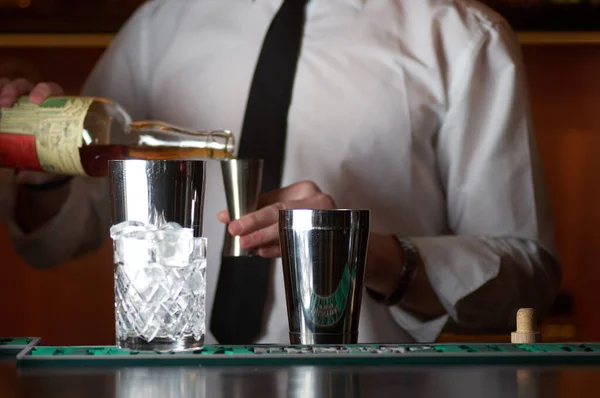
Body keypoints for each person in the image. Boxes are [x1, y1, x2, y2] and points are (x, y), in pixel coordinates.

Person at [0, 0, 561, 343]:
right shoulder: (158, 25)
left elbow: (527, 276)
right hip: (174, 384)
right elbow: (58, 239)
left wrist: (371, 253)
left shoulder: (462, 35)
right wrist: (44, 176)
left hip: (378, 386)